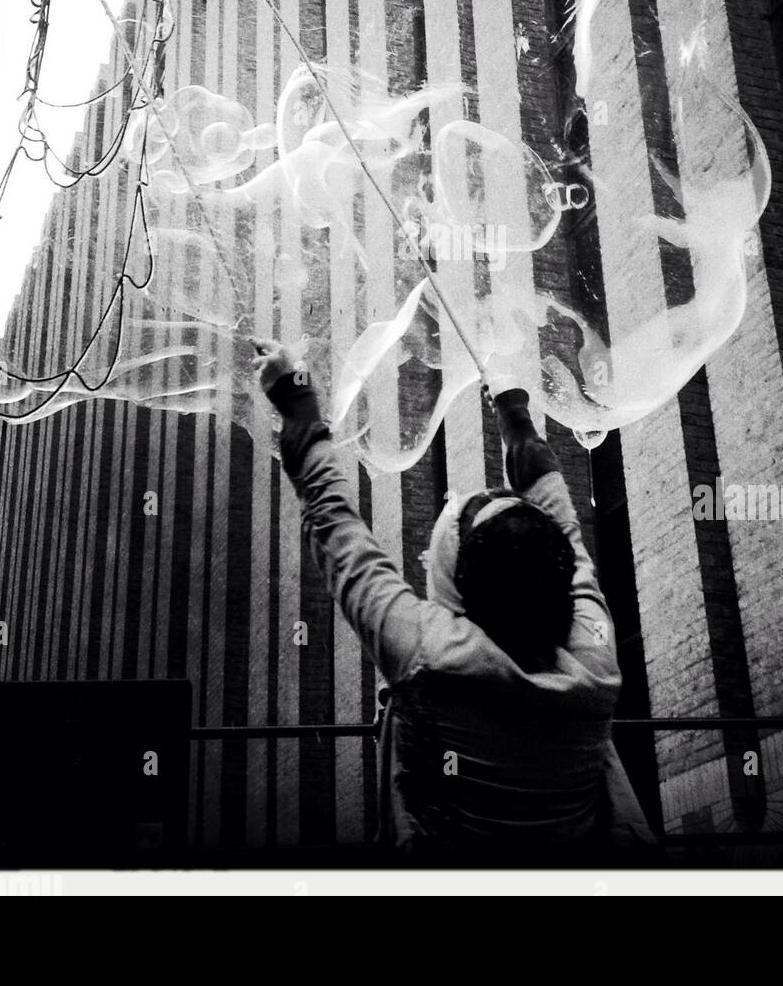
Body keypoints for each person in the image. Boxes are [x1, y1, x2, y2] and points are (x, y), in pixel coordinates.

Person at [252, 337, 657, 864]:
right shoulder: (593, 656)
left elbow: (332, 520)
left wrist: (296, 390)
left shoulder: (429, 652)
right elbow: (561, 525)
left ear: (455, 588)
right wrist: (514, 412)